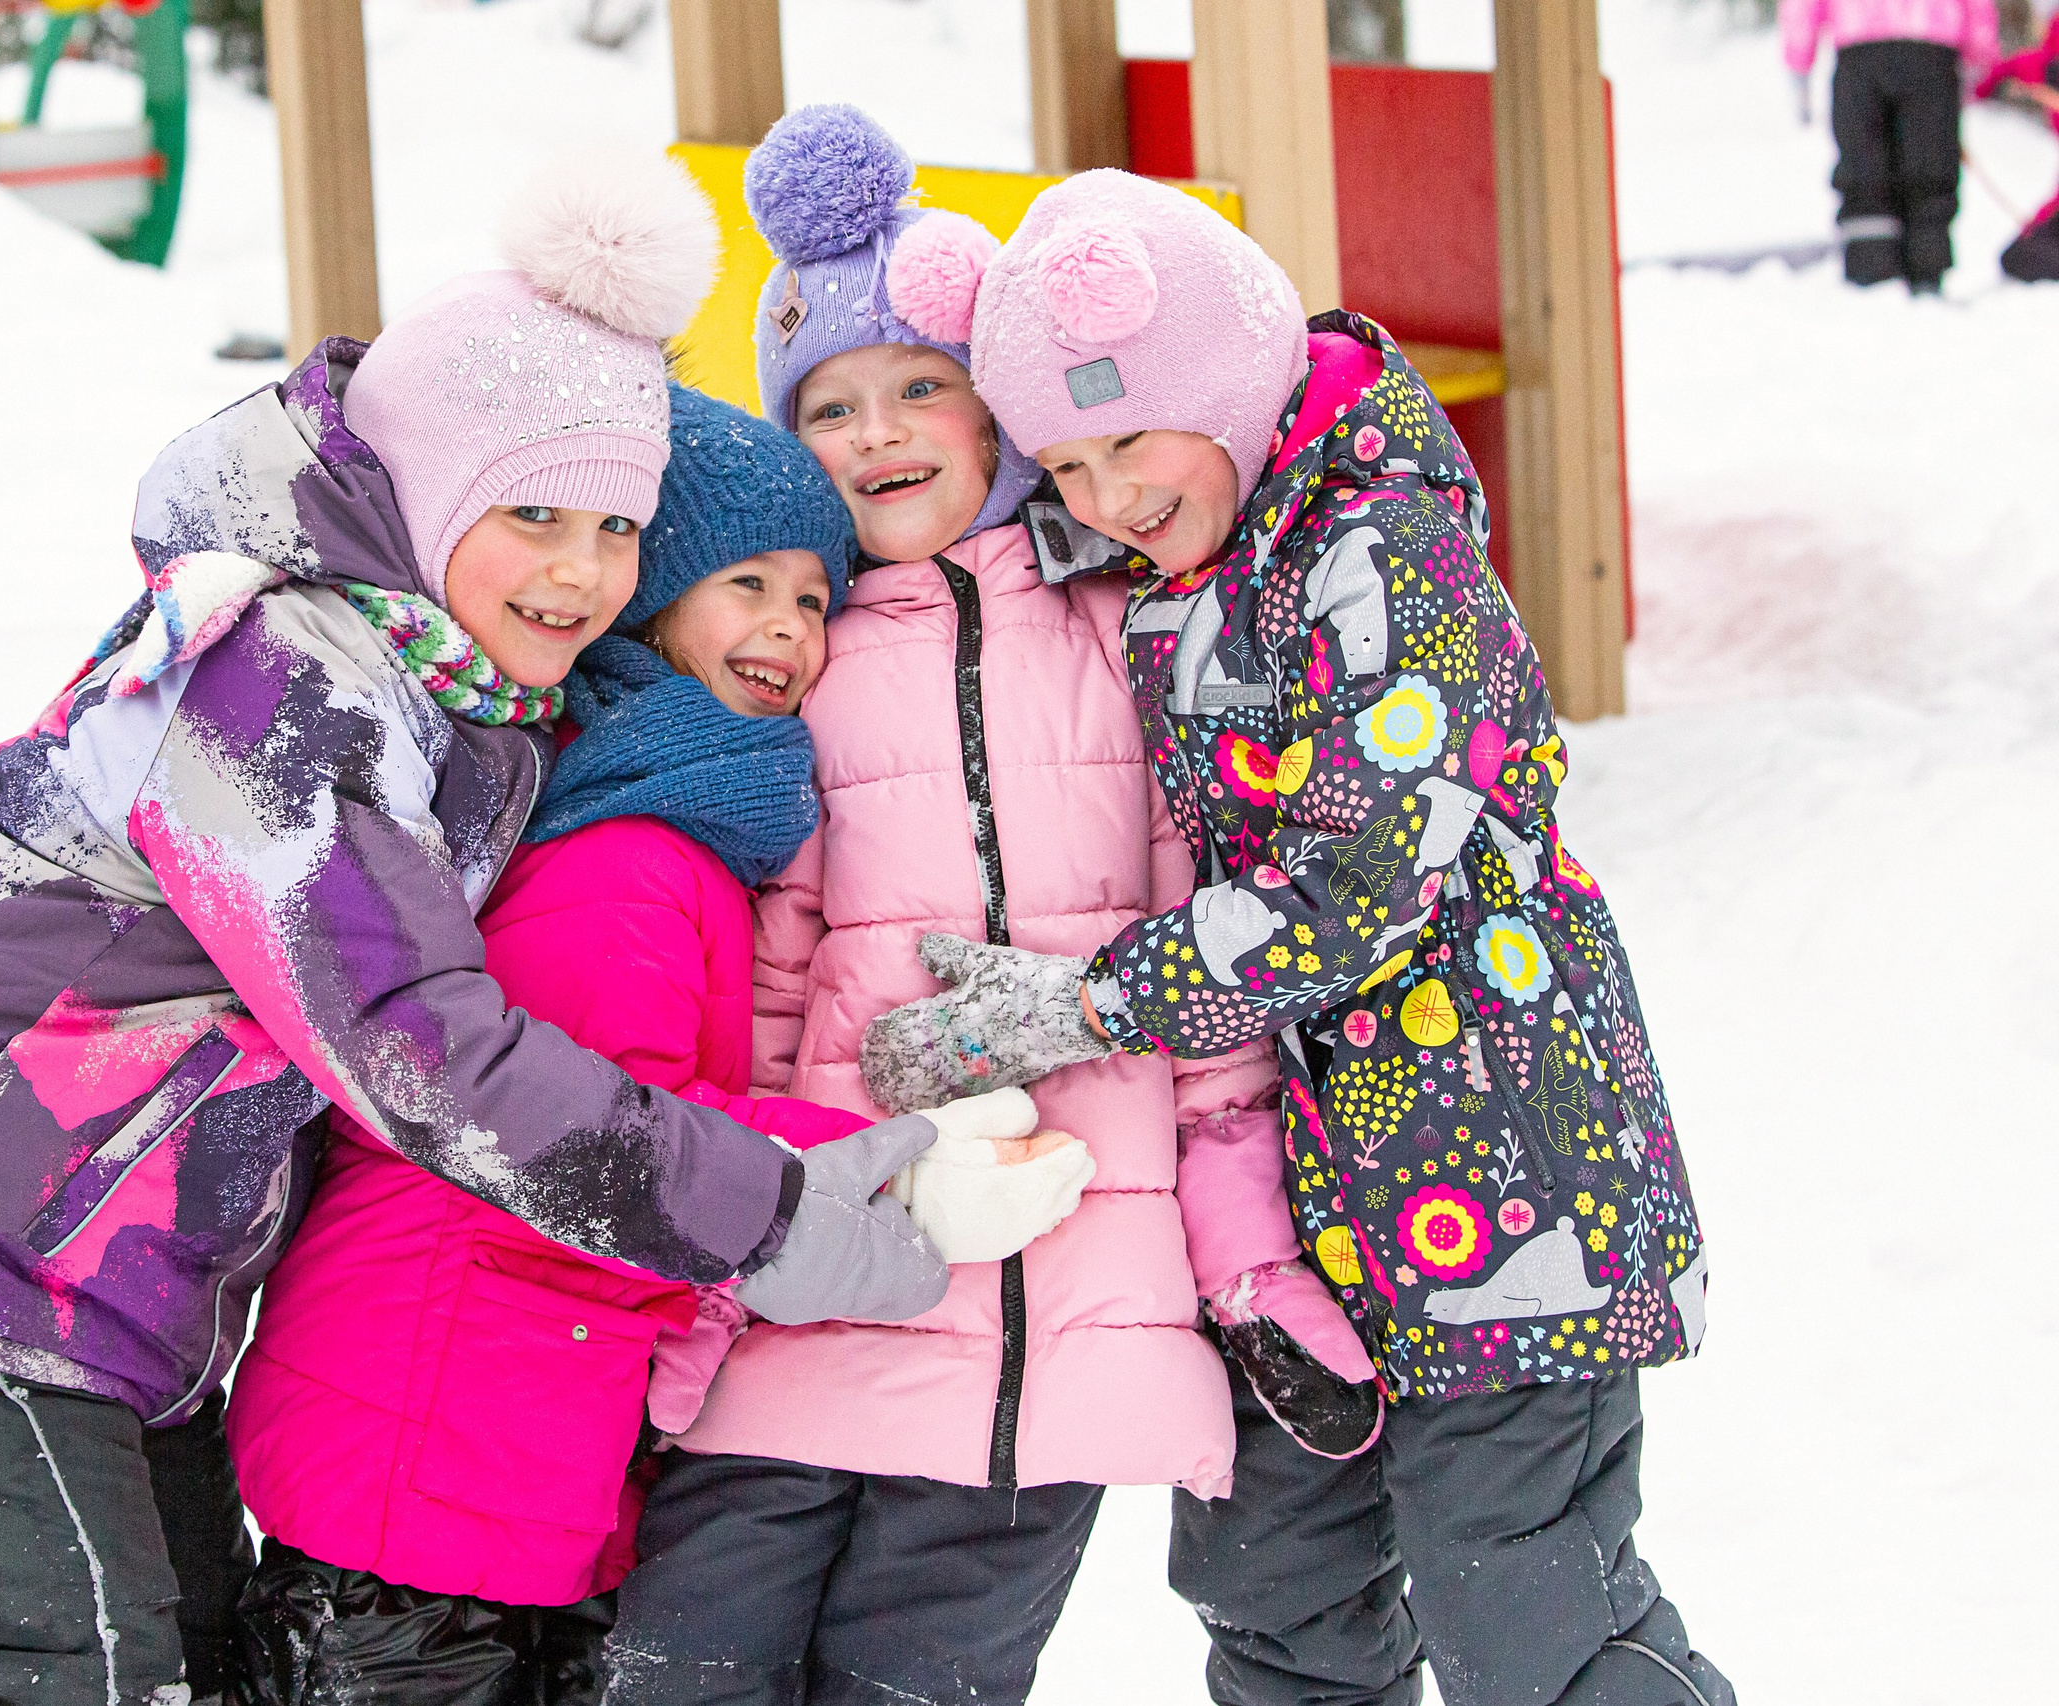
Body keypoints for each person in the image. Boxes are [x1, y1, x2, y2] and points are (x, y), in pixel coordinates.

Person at [0, 155, 953, 1706]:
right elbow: (426, 1054)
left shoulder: (451, 693)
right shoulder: (278, 681)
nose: (578, 568)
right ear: (420, 492)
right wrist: (761, 1208)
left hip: (121, 1266)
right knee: (86, 1675)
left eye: (617, 528)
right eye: (531, 511)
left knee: (205, 1667)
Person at [866, 168, 1734, 1704]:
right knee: (1277, 1597)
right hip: (1296, 1214)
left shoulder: (1381, 545)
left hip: (1504, 1171)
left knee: (1528, 1610)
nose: (1104, 496)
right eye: (1064, 463)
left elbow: (1367, 878)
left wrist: (1097, 1002)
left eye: (1129, 439)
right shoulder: (1173, 572)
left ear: (1227, 383)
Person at [599, 108, 1379, 1706]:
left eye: (918, 387)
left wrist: (1245, 1263)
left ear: (998, 412)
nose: (876, 430)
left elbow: (1209, 987)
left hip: (1060, 1323)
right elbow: (745, 998)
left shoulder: (1127, 640)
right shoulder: (791, 654)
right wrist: (698, 1278)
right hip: (819, 1284)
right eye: (827, 404)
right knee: (684, 1669)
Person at [219, 385, 1051, 1706]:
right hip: (421, 1458)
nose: (788, 624)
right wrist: (893, 1162)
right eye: (749, 585)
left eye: (815, 600)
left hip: (490, 1458)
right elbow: (608, 1142)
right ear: (650, 603)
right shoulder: (621, 859)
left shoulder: (679, 835)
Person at [1780, 0, 2001, 291]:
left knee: (1865, 166)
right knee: (1928, 165)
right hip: (1931, 48)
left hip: (1860, 49)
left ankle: (1871, 268)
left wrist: (1799, 60)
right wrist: (1980, 56)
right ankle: (1926, 270)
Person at [1977, 9, 2059, 281]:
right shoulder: (2044, 68)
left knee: (2020, 257)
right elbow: (2007, 71)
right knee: (2019, 256)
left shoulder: (2046, 67)